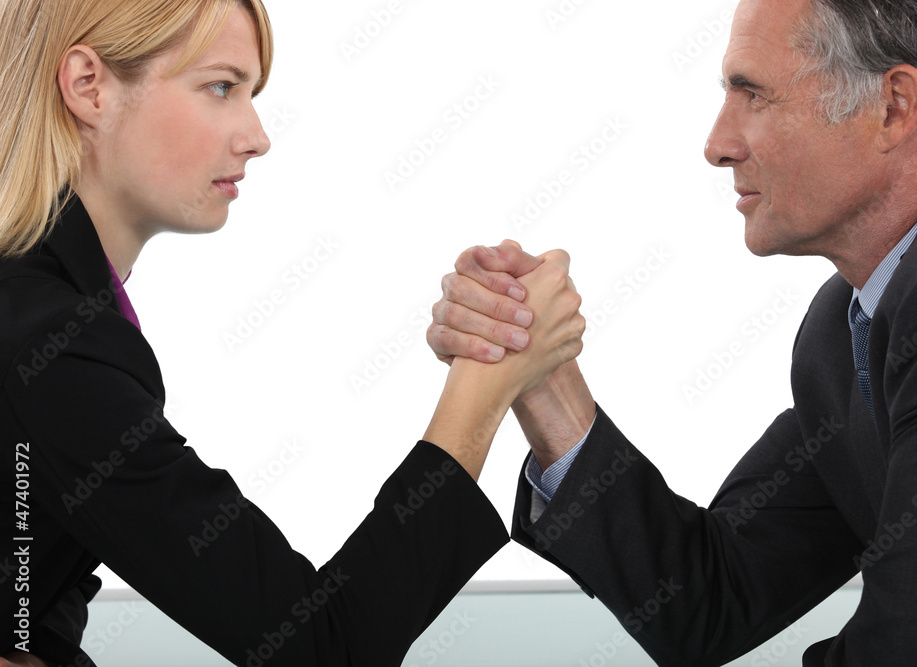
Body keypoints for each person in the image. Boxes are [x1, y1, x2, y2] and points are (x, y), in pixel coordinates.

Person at [0, 0, 586, 665]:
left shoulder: (50, 309)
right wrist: (483, 385)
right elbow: (318, 646)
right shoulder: (54, 347)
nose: (256, 134)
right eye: (220, 86)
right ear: (88, 86)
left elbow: (38, 557)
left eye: (251, 93)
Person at [427, 0, 917, 663]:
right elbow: (712, 597)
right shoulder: (848, 327)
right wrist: (542, 376)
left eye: (752, 93)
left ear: (894, 106)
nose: (717, 143)